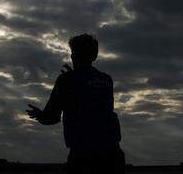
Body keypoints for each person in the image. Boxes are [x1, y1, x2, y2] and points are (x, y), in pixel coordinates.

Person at [26, 34, 125, 173]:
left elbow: (51, 117)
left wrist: (38, 114)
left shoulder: (66, 80)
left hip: (83, 155)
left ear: (73, 56)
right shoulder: (106, 79)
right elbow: (90, 99)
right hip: (113, 153)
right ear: (94, 56)